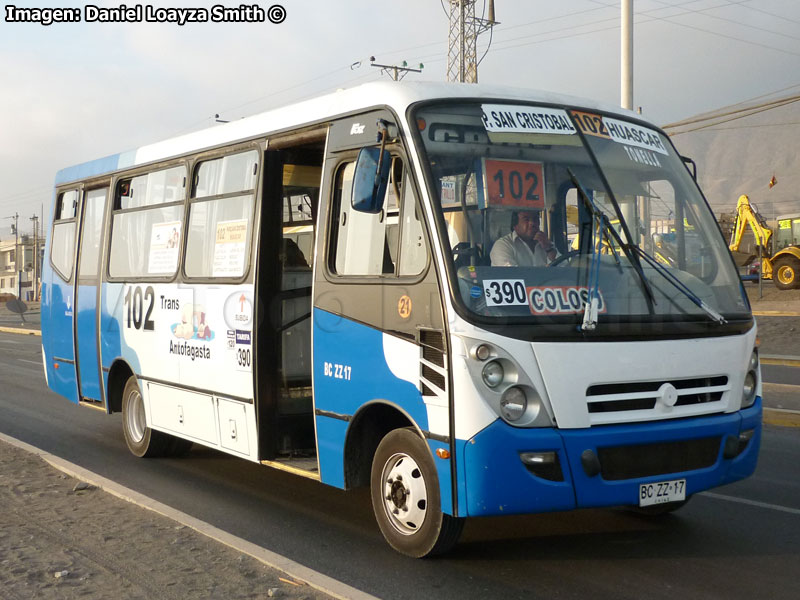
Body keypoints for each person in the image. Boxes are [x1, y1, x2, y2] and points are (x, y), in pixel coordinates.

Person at [490, 210, 558, 267]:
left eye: (535, 219)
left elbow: (565, 270)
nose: (532, 223)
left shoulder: (546, 243)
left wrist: (549, 249)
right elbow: (510, 275)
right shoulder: (503, 245)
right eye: (526, 219)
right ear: (515, 225)